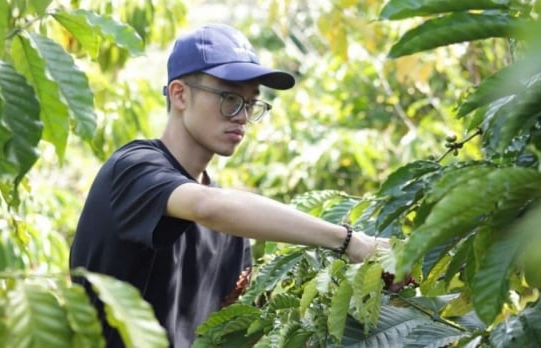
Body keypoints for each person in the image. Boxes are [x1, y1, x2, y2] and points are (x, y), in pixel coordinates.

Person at [69, 23, 383, 348]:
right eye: (229, 98)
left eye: (250, 104)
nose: (242, 116)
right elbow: (207, 207)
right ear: (180, 94)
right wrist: (348, 241)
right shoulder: (134, 169)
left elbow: (232, 329)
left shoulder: (232, 230)